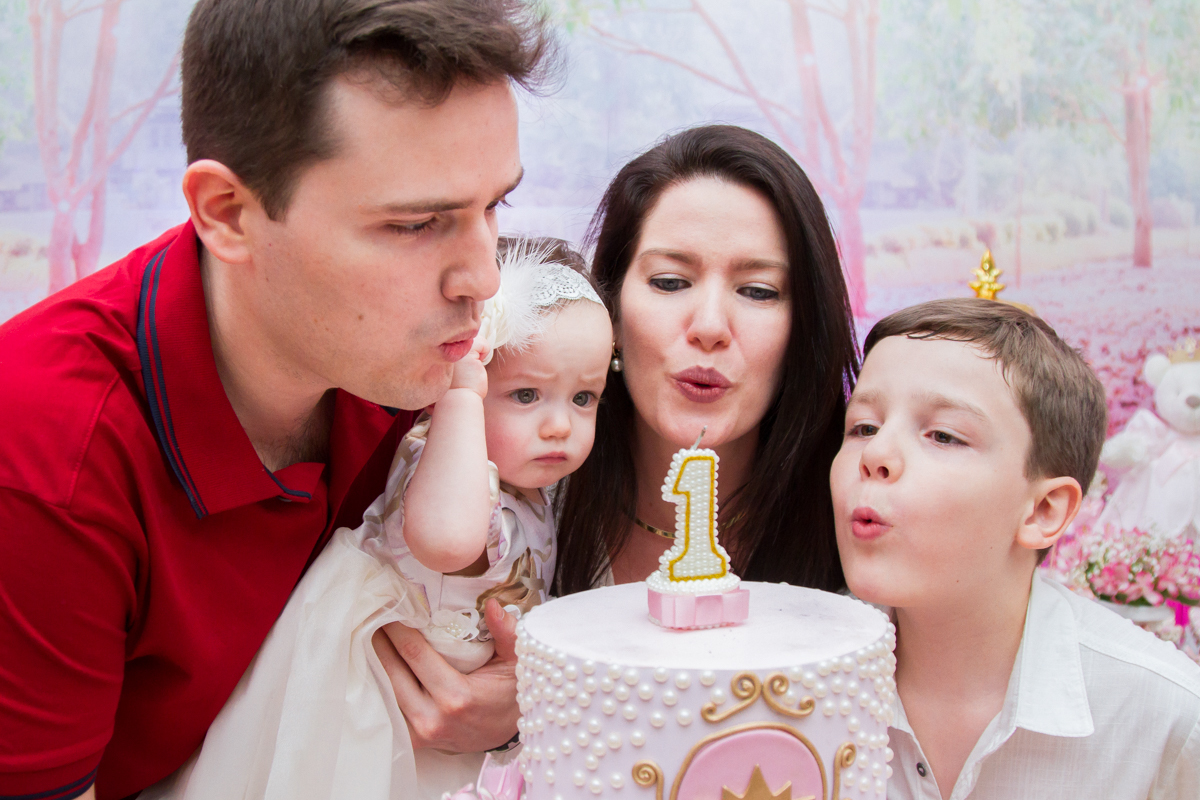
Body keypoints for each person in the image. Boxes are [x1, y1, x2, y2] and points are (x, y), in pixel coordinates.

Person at [0, 2, 554, 798]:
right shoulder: (45, 457)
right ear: (227, 214)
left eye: (495, 205)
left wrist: (522, 700)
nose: (484, 279)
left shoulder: (422, 360)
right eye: (416, 224)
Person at [140, 239, 611, 800]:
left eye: (584, 398)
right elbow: (445, 541)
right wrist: (460, 396)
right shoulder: (445, 461)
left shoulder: (530, 489)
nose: (561, 425)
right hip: (365, 701)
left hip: (452, 707)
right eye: (527, 394)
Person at [831, 298, 1200, 800]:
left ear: (1044, 510)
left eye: (943, 435)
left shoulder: (1166, 720)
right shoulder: (791, 682)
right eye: (863, 427)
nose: (874, 455)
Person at [554, 124, 858, 595]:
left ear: (804, 330)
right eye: (671, 282)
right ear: (610, 311)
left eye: (758, 291)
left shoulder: (857, 520)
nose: (711, 327)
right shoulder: (523, 502)